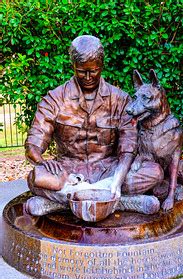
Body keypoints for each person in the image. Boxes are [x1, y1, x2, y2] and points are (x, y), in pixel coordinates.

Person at [25, 35, 163, 218]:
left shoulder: (120, 100)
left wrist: (117, 179)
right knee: (37, 177)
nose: (88, 77)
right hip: (68, 175)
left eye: (94, 71)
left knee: (154, 172)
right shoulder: (54, 99)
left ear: (102, 65)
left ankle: (64, 202)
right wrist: (43, 162)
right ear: (73, 65)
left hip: (109, 172)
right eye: (82, 71)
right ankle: (120, 201)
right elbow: (33, 144)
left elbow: (128, 147)